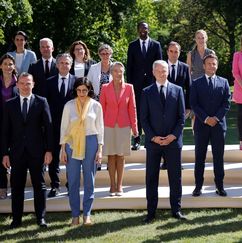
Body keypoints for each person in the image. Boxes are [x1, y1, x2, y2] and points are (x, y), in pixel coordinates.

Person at [2, 72, 53, 229]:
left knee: (40, 185)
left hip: (37, 152)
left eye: (28, 83)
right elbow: (4, 131)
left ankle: (41, 218)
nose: (25, 86)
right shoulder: (9, 104)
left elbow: (49, 128)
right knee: (17, 186)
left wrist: (49, 150)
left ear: (33, 84)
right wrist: (4, 153)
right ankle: (16, 220)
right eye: (22, 83)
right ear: (17, 85)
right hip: (16, 153)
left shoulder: (41, 102)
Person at [140, 60, 186, 223]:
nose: (162, 73)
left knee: (175, 177)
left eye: (165, 70)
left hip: (173, 142)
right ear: (153, 72)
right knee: (151, 177)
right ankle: (151, 212)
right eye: (159, 71)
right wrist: (153, 137)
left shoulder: (178, 90)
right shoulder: (146, 92)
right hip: (154, 143)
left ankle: (177, 210)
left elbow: (181, 118)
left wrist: (173, 136)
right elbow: (143, 119)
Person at [60, 77, 104, 226]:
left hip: (91, 142)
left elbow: (100, 128)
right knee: (72, 181)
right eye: (79, 90)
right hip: (72, 144)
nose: (81, 93)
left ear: (89, 90)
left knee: (89, 180)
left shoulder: (96, 106)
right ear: (75, 91)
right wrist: (63, 149)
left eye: (84, 90)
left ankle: (87, 215)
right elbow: (64, 128)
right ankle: (74, 215)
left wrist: (100, 150)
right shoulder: (69, 105)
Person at [190, 54, 231, 197]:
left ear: (217, 65)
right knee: (199, 157)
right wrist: (206, 118)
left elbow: (226, 103)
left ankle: (220, 186)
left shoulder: (224, 82)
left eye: (214, 64)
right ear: (203, 65)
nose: (211, 66)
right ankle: (198, 187)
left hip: (218, 126)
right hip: (202, 125)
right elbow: (194, 104)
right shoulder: (196, 83)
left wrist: (216, 118)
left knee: (218, 157)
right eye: (208, 63)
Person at [100, 62, 138, 196]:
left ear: (123, 72)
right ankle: (112, 185)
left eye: (120, 71)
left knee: (121, 156)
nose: (118, 73)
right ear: (111, 73)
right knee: (111, 155)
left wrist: (135, 127)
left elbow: (132, 108)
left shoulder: (129, 88)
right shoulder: (104, 88)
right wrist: (100, 128)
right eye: (115, 71)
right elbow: (101, 109)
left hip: (124, 125)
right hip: (108, 125)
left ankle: (120, 185)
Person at [127, 21, 163, 151]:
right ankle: (137, 140)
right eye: (141, 28)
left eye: (145, 28)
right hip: (136, 86)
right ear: (138, 30)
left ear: (149, 30)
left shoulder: (156, 45)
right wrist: (129, 85)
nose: (143, 30)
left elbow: (160, 65)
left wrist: (158, 83)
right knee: (137, 113)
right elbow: (129, 66)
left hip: (152, 85)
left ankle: (151, 139)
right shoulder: (132, 46)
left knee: (152, 112)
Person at [45, 53, 76, 198]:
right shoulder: (48, 82)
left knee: (71, 157)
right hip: (53, 126)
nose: (64, 65)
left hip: (72, 127)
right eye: (62, 63)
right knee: (54, 158)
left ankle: (71, 184)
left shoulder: (77, 82)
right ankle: (55, 186)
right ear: (57, 65)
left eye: (67, 63)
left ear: (71, 65)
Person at [160, 41, 191, 170]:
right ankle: (165, 161)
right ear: (167, 52)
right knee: (164, 132)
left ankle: (177, 162)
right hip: (162, 105)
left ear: (179, 53)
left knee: (177, 133)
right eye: (171, 51)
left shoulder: (185, 67)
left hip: (179, 106)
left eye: (176, 51)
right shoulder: (161, 66)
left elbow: (189, 87)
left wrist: (188, 107)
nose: (173, 54)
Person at [0, 54, 19, 199]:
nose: (8, 66)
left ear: (14, 67)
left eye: (10, 64)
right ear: (0, 66)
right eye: (5, 64)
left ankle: (16, 187)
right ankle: (2, 187)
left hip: (15, 126)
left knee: (16, 157)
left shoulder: (19, 84)